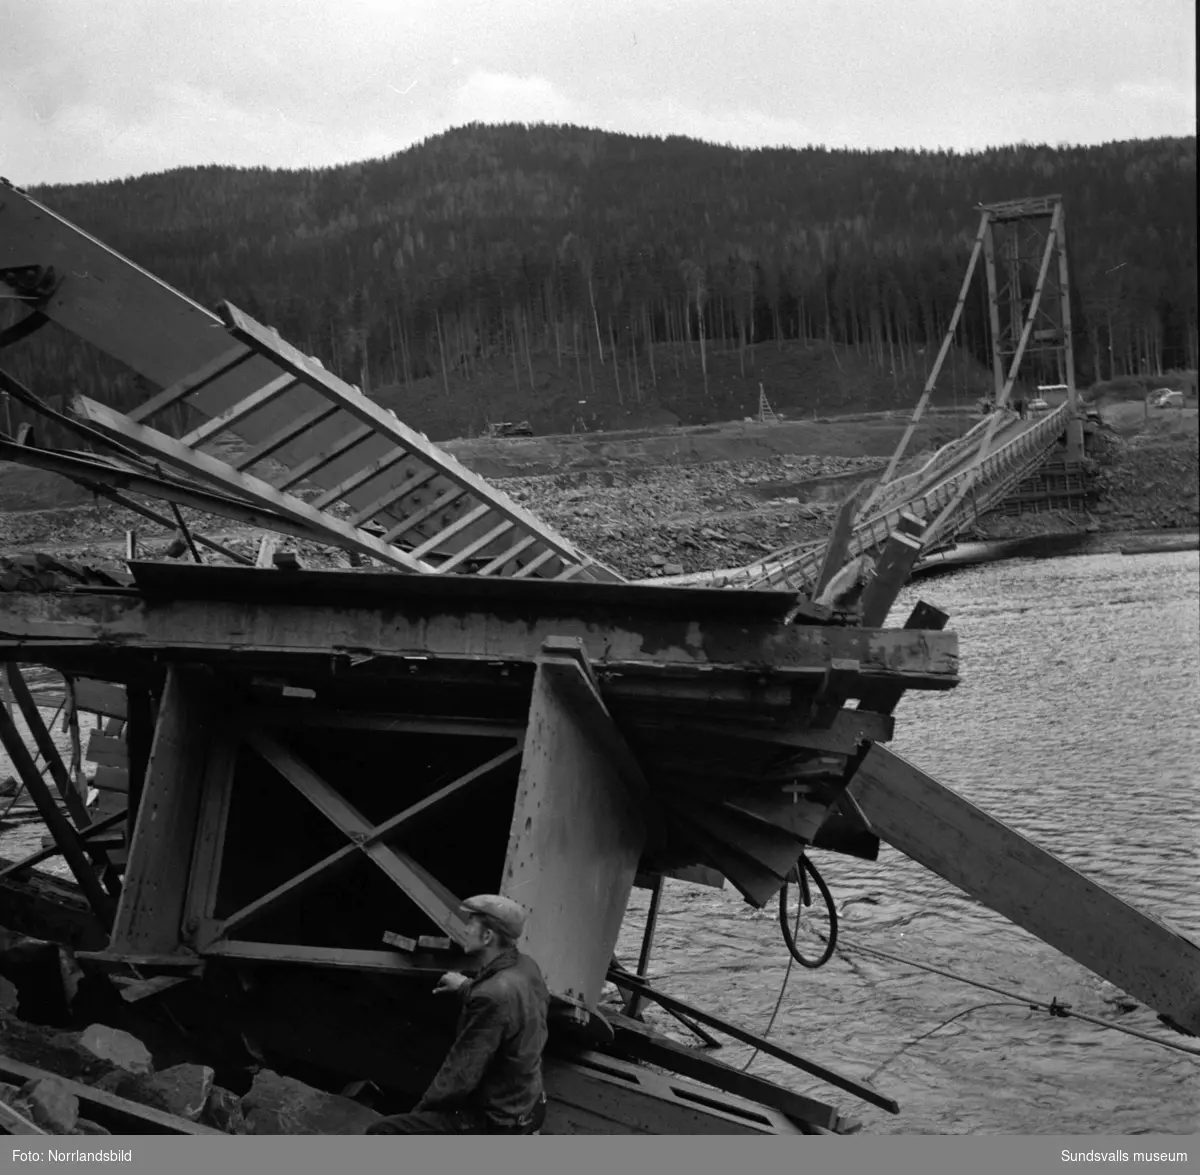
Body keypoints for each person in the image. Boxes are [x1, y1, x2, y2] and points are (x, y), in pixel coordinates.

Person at [366, 895, 550, 1135]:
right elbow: (509, 1004)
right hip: (530, 1103)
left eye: (471, 923)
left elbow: (461, 1075)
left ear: (487, 937)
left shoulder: (492, 996)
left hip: (498, 1121)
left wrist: (419, 1115)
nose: (465, 928)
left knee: (382, 1132)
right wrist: (465, 987)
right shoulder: (526, 967)